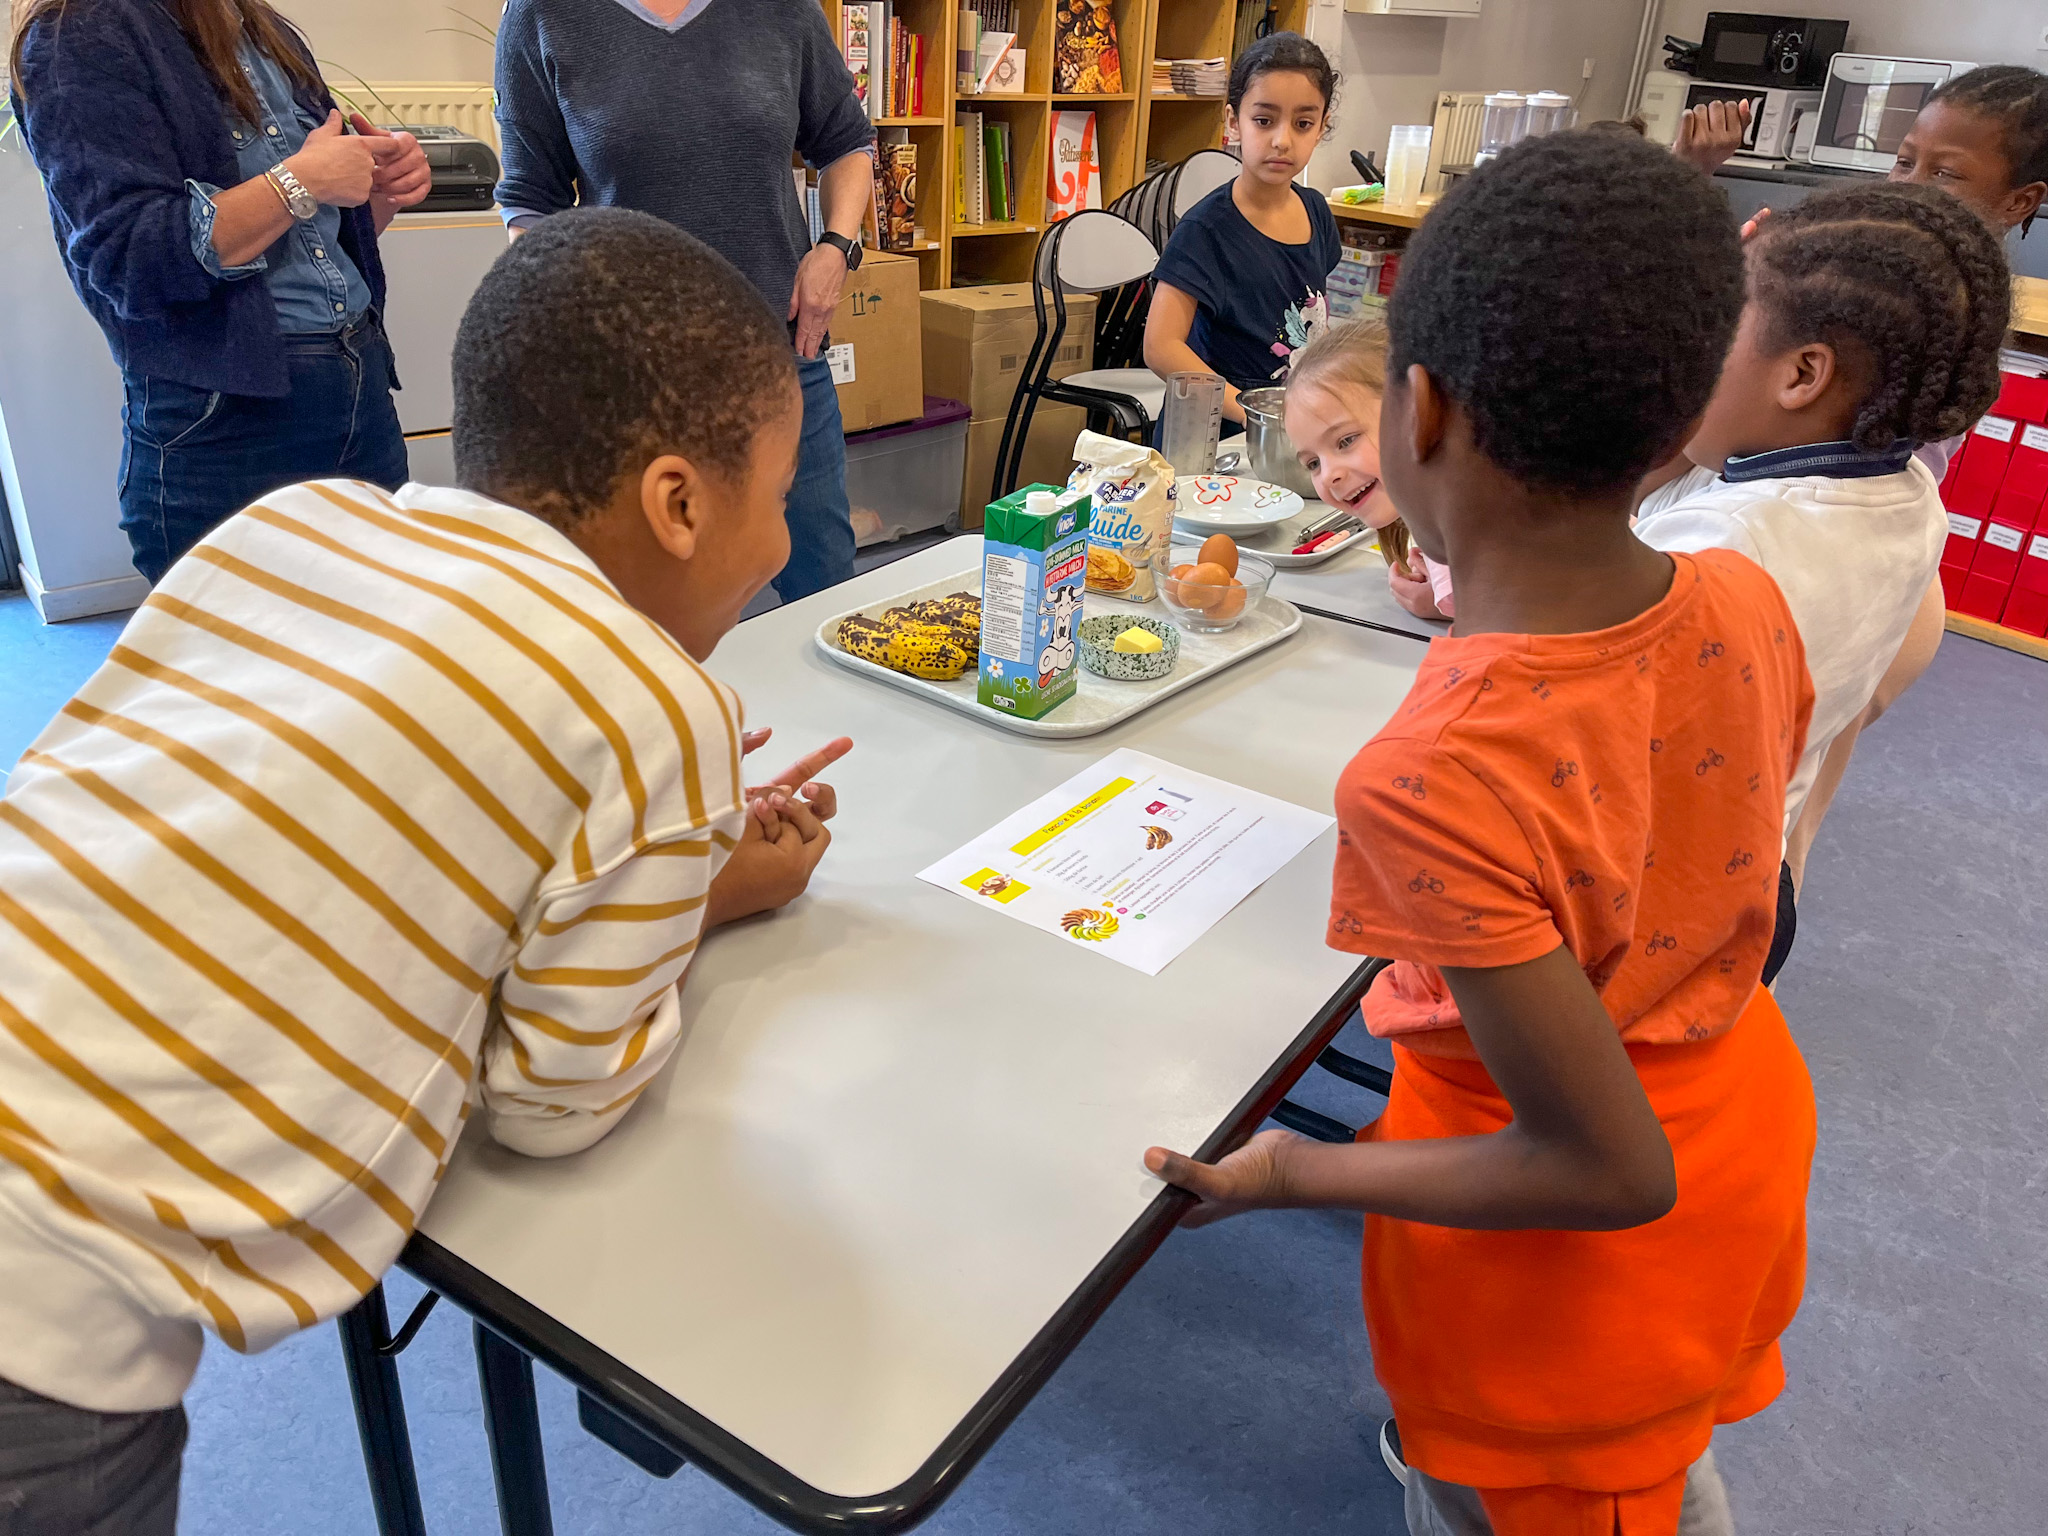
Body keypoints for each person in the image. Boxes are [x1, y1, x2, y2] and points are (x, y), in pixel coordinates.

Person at [0, 209, 849, 1532]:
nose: (788, 549)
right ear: (679, 503)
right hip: (47, 1320)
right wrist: (708, 889)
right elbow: (551, 1103)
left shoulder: (301, 523)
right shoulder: (657, 701)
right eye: (779, 502)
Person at [1146, 129, 1815, 1536]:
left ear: (1420, 414)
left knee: (1535, 1495)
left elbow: (1601, 1164)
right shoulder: (1744, 596)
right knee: (1654, 1453)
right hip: (1742, 1122)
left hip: (1566, 1249)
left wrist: (1289, 1174)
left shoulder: (1429, 772)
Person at [1636, 182, 2007, 961]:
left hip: (1645, 908)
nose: (1681, 352)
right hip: (1753, 880)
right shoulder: (1908, 496)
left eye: (1711, 331)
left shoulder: (1727, 536)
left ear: (1803, 375)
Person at [8, 0, 431, 586]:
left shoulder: (262, 28)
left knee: (374, 647)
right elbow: (128, 259)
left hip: (357, 389)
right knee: (249, 667)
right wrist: (300, 181)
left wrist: (376, 190)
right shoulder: (78, 33)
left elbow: (306, 243)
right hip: (226, 427)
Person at [493, 0, 877, 603]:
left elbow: (848, 141)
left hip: (779, 354)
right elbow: (528, 199)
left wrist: (835, 248)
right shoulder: (544, 14)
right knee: (652, 596)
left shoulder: (784, 10)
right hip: (636, 376)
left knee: (822, 580)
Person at [1144, 31, 1342, 424]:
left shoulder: (1316, 210)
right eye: (1264, 120)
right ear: (1234, 121)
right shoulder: (1205, 229)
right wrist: (1255, 416)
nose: (1282, 140)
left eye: (1303, 123)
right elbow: (1161, 348)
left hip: (1289, 424)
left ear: (1322, 127)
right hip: (1211, 430)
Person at [1284, 317, 1451, 618]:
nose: (1329, 475)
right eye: (1313, 463)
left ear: (1415, 411)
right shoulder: (1433, 515)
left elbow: (1535, 619)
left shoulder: (1464, 516)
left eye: (1346, 441)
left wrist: (1448, 604)